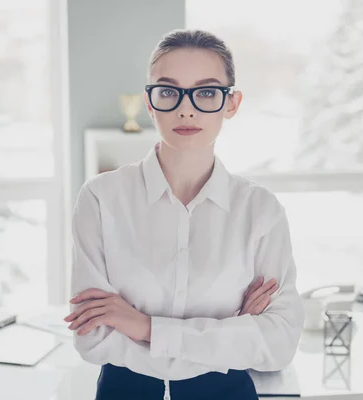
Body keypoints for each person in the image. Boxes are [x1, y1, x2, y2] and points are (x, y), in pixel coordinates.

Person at [64, 29, 304, 400]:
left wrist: (143, 327)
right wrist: (234, 330)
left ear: (232, 103)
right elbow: (93, 340)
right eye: (168, 91)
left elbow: (278, 345)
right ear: (149, 101)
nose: (186, 108)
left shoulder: (260, 210)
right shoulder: (101, 199)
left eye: (206, 92)